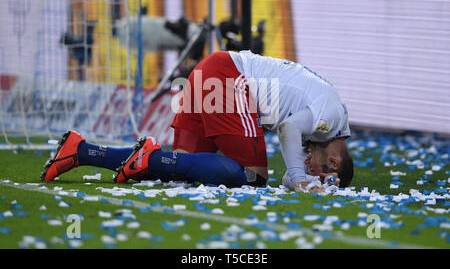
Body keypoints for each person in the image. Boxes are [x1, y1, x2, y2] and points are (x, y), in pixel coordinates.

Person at [40, 50, 353, 193]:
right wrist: (299, 177)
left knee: (177, 167)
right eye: (317, 168)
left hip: (212, 70)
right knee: (253, 177)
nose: (308, 164)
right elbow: (288, 128)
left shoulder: (326, 117)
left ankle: (81, 151)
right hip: (229, 78)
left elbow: (294, 154)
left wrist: (302, 179)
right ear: (335, 161)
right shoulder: (333, 115)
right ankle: (149, 154)